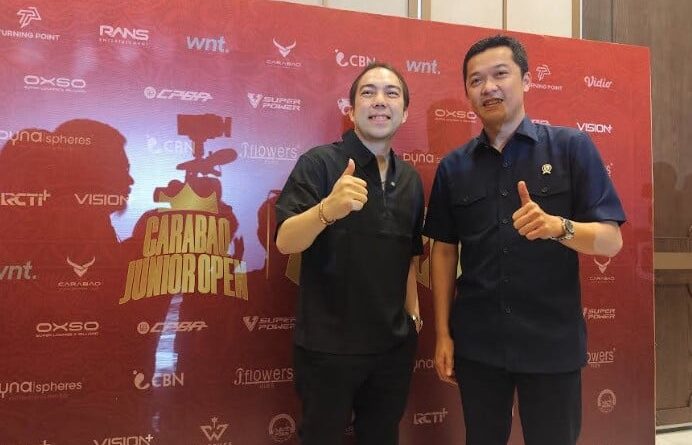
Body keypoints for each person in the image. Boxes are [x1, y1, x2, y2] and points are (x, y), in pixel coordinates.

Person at [423, 35, 625, 445]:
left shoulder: (571, 147)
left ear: (527, 80)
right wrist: (443, 333)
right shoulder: (454, 167)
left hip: (551, 342)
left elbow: (611, 240)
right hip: (478, 343)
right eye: (476, 80)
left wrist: (559, 227)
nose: (488, 87)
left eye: (500, 74)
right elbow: (443, 251)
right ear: (467, 92)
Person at [275, 62, 424, 445]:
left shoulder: (410, 179)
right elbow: (286, 241)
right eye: (368, 92)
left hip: (392, 348)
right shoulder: (320, 163)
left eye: (391, 93)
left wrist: (413, 317)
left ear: (405, 112)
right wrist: (328, 209)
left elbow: (409, 254)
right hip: (328, 349)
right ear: (352, 109)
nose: (380, 101)